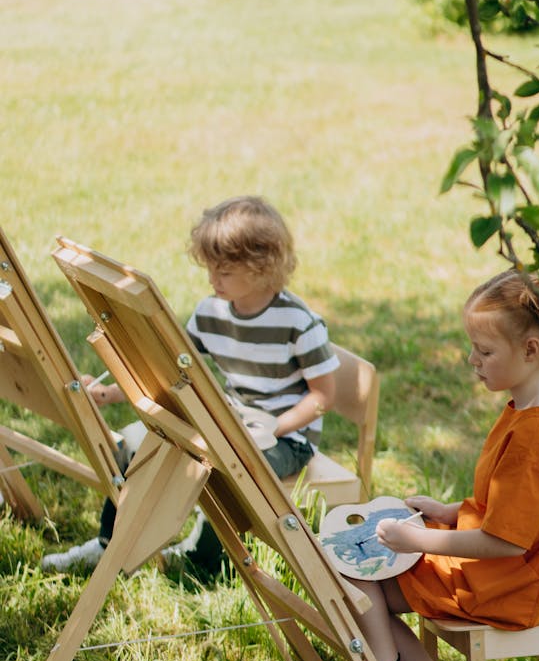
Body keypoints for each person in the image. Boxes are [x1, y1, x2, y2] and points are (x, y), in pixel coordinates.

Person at [352, 269, 539, 661]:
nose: (472, 361)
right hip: (494, 570)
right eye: (472, 348)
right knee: (362, 579)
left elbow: (505, 541)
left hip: (503, 584)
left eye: (484, 351)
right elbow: (513, 511)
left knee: (363, 583)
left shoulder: (538, 437)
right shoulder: (527, 410)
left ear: (529, 350)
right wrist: (448, 512)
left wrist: (414, 538)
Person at [41, 195, 339, 578]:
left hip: (287, 438)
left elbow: (322, 397)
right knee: (139, 443)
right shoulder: (210, 313)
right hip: (236, 422)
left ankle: (207, 560)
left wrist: (273, 429)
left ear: (264, 267)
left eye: (224, 271)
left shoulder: (298, 322)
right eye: (210, 268)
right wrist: (110, 391)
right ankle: (107, 545)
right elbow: (167, 365)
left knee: (232, 468)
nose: (213, 279)